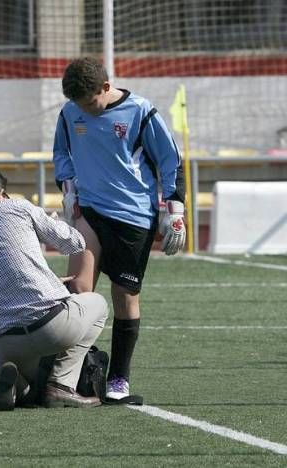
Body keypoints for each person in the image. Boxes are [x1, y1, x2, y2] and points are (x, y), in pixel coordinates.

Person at [53, 57, 186, 404]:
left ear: (106, 87)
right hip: (91, 212)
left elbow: (170, 160)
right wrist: (68, 189)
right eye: (79, 104)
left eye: (90, 102)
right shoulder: (70, 113)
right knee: (79, 293)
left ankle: (118, 379)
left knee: (124, 296)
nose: (86, 110)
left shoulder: (142, 112)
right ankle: (71, 374)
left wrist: (174, 208)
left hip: (133, 218)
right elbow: (61, 154)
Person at [0, 165, 109, 411]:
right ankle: (62, 385)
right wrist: (51, 221)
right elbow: (74, 242)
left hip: (6, 343)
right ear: (1, 194)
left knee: (32, 384)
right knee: (98, 304)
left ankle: (17, 386)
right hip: (51, 326)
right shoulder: (16, 207)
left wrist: (48, 280)